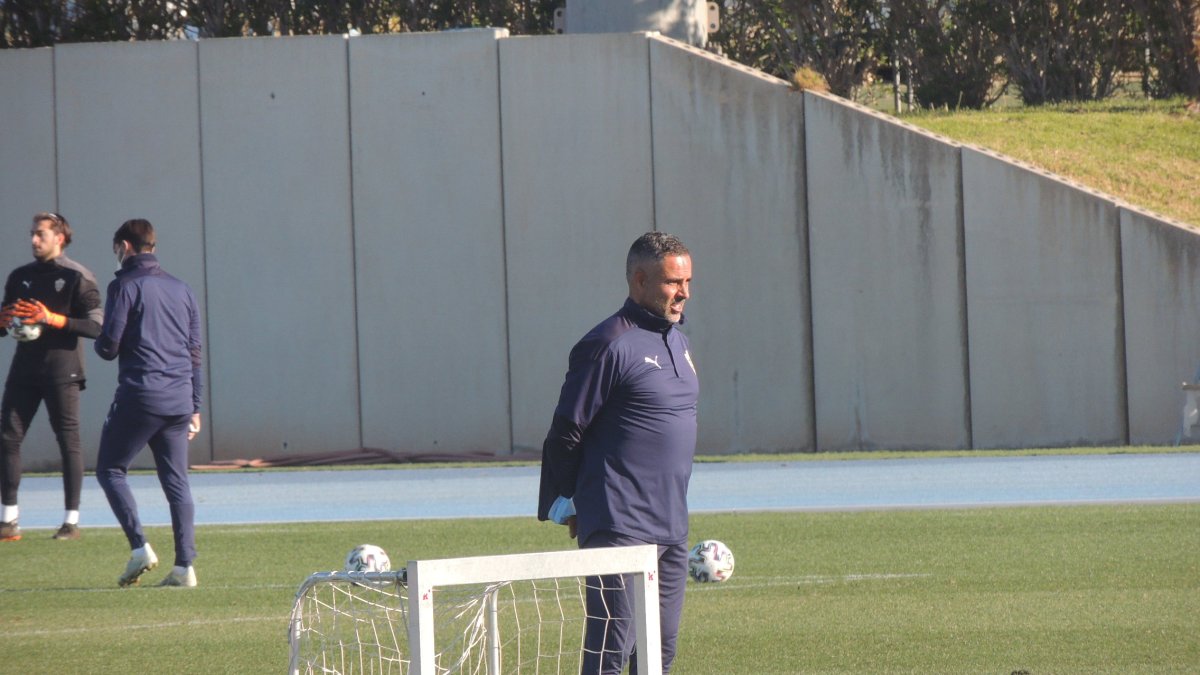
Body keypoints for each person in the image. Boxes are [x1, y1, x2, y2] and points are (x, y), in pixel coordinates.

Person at [537, 232, 698, 674]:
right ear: (640, 280)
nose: (683, 292)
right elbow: (566, 431)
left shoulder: (679, 343)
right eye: (673, 282)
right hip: (619, 524)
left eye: (687, 281)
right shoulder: (608, 343)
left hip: (672, 524)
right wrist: (568, 501)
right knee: (610, 652)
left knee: (658, 655)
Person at [94, 219, 203, 588]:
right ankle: (185, 567)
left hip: (141, 395)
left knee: (110, 469)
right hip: (179, 398)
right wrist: (196, 405)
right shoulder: (182, 289)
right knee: (177, 482)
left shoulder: (124, 285)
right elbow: (194, 352)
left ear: (125, 246)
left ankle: (140, 547)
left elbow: (109, 347)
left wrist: (100, 338)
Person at [0, 212, 103, 542]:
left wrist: (52, 318)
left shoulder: (77, 276)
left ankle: (71, 522)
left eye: (40, 234)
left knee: (68, 441)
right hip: (24, 369)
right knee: (7, 438)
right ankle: (8, 520)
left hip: (62, 370)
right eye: (32, 233)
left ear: (59, 238)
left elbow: (97, 326)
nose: (33, 240)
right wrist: (3, 321)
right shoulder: (19, 276)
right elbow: (6, 322)